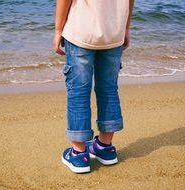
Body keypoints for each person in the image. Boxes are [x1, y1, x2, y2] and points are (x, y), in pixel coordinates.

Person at [53, 0, 134, 173]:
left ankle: (79, 154)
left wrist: (58, 29)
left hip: (81, 31)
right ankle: (104, 147)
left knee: (78, 92)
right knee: (109, 90)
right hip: (114, 32)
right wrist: (125, 28)